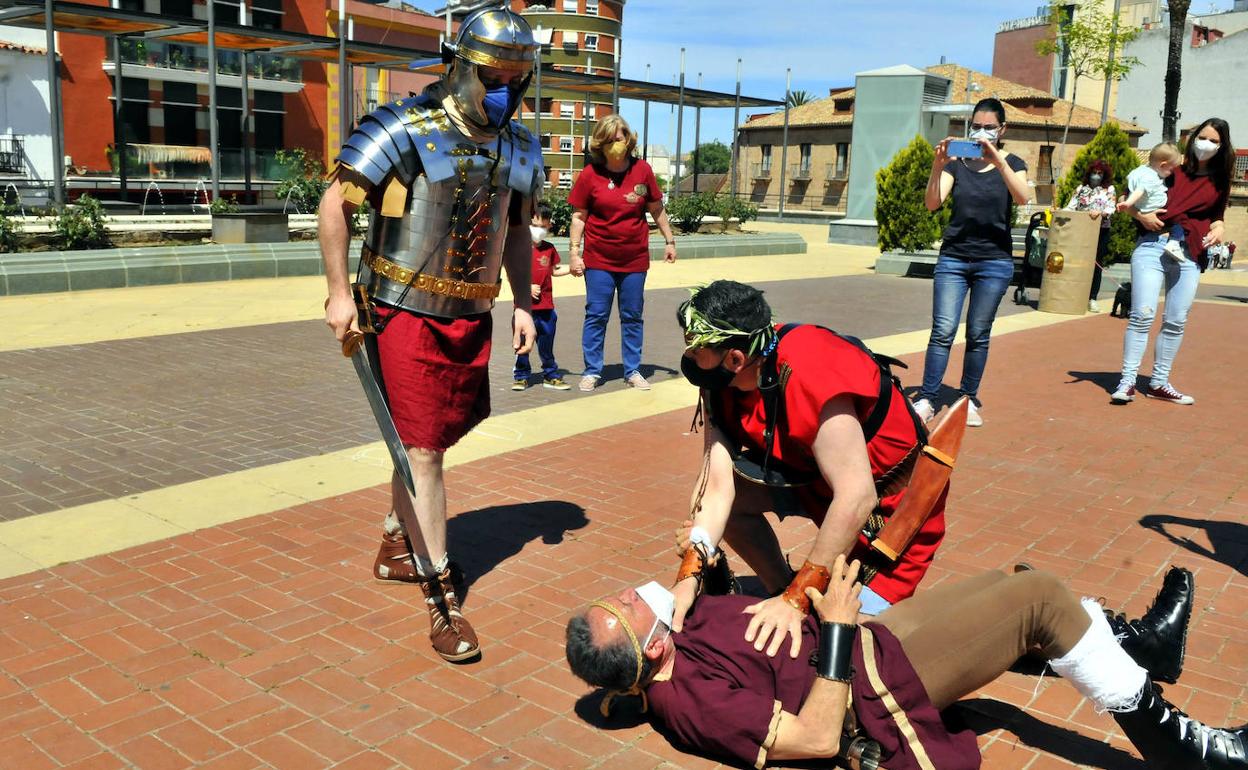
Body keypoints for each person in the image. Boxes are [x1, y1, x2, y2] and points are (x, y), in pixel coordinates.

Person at [318, 7, 543, 662]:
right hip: (402, 310)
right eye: (491, 75)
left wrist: (524, 303)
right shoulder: (403, 124)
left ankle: (397, 541)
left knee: (428, 439)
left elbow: (518, 227)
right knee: (423, 451)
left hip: (470, 314)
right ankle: (442, 599)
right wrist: (338, 294)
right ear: (460, 66)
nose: (503, 91)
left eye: (515, 78)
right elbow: (336, 201)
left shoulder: (521, 144)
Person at [565, 557, 1247, 770]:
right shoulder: (693, 704)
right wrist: (833, 631)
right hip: (874, 678)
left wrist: (692, 570)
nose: (630, 591)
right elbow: (814, 739)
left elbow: (693, 555)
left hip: (873, 639)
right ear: (650, 648)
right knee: (1036, 599)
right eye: (625, 603)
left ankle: (1140, 647)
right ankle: (1193, 752)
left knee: (1010, 583)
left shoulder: (669, 632)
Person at [671, 281, 947, 655]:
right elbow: (717, 485)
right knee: (733, 506)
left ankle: (796, 599)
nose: (689, 358)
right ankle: (777, 587)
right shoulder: (722, 377)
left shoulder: (810, 371)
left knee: (841, 645)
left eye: (697, 350)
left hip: (888, 518)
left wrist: (797, 599)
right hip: (816, 483)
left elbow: (857, 496)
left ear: (735, 358)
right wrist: (690, 574)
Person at [913, 98, 1031, 428]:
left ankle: (967, 399)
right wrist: (938, 165)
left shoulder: (1015, 162)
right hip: (954, 258)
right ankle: (927, 398)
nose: (980, 132)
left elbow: (1023, 197)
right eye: (975, 126)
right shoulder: (957, 162)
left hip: (994, 261)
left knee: (978, 333)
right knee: (943, 331)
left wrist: (999, 161)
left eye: (988, 127)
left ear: (1002, 129)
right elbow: (933, 203)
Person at [1112, 118, 1235, 406]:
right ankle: (1128, 381)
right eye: (1203, 138)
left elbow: (1217, 215)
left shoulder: (1220, 180)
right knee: (1142, 315)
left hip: (1190, 252)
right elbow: (1125, 197)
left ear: (1222, 146)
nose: (1207, 144)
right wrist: (1141, 216)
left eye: (1215, 141)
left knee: (1176, 321)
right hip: (1152, 246)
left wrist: (1219, 228)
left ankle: (1159, 382)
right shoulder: (1172, 170)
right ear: (1192, 140)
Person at [568, 114, 678, 393]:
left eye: (620, 138)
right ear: (600, 144)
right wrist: (574, 253)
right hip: (598, 260)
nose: (617, 144)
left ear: (628, 139)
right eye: (610, 140)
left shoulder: (642, 170)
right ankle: (592, 370)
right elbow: (579, 217)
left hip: (634, 260)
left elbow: (656, 208)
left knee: (632, 316)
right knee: (596, 315)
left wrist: (669, 240)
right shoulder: (590, 175)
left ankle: (632, 370)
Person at [513, 202, 572, 391]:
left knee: (546, 345)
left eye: (543, 227)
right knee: (522, 345)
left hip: (546, 308)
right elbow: (512, 273)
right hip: (524, 309)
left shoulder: (549, 248)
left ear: (549, 226)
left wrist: (573, 269)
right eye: (534, 226)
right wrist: (526, 287)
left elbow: (554, 270)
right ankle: (521, 375)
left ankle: (550, 374)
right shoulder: (517, 247)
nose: (539, 230)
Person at [1117, 142, 1187, 263]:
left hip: (1147, 226)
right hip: (1153, 231)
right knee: (1178, 224)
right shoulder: (1150, 178)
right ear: (1163, 165)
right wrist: (1134, 209)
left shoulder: (1141, 172)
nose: (1173, 173)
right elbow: (1137, 192)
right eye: (1172, 170)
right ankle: (1174, 243)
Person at [1064, 159, 1117, 312]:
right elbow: (1071, 206)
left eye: (1100, 173)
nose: (1096, 176)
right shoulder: (1081, 188)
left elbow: (1111, 207)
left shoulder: (1109, 190)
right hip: (1080, 230)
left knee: (1096, 264)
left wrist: (1100, 212)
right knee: (1076, 261)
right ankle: (1074, 295)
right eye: (1094, 173)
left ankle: (1092, 298)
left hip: (1101, 230)